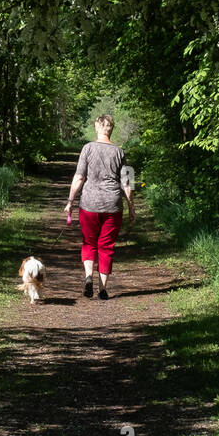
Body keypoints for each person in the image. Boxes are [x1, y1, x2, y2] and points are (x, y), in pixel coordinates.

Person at [65, 115, 136, 299]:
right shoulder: (120, 152)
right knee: (107, 246)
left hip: (89, 204)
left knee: (89, 242)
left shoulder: (87, 148)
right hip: (113, 205)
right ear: (111, 129)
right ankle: (102, 289)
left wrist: (70, 201)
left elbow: (79, 177)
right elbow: (127, 182)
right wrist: (131, 207)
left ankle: (88, 276)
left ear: (97, 128)